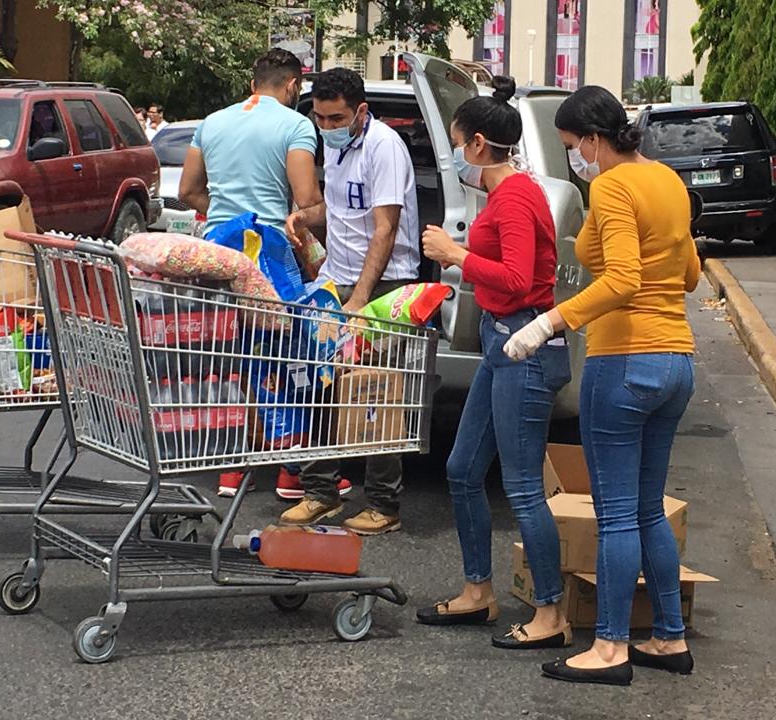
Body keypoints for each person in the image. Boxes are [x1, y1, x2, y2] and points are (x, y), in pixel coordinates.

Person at [504, 86, 700, 686]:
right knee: (645, 510)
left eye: (572, 148)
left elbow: (618, 279)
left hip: (625, 359)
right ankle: (668, 636)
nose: (574, 161)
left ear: (592, 139)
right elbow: (688, 274)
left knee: (615, 515)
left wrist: (548, 323)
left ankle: (610, 647)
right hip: (676, 360)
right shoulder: (666, 180)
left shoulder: (613, 187)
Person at [414, 77, 572, 648]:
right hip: (500, 343)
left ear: (478, 144)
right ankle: (478, 591)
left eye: (458, 143)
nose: (456, 154)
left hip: (524, 348)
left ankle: (551, 614)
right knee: (461, 470)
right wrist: (459, 253)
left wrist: (456, 254)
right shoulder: (504, 194)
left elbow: (518, 278)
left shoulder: (517, 196)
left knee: (524, 487)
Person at [176, 49, 335, 501]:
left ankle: (231, 468)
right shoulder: (295, 125)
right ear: (292, 86)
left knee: (234, 357)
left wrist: (226, 217)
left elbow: (188, 190)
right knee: (288, 355)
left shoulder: (212, 122)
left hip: (217, 255)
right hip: (267, 253)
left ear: (253, 83)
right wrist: (312, 222)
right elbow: (306, 199)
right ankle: (291, 470)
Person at [283, 67, 420, 535]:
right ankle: (320, 492)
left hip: (382, 289)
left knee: (375, 395)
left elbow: (384, 227)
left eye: (336, 117)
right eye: (320, 118)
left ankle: (384, 504)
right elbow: (339, 210)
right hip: (335, 283)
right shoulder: (337, 149)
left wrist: (360, 300)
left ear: (360, 111)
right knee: (321, 389)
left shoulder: (385, 148)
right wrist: (304, 217)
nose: (327, 127)